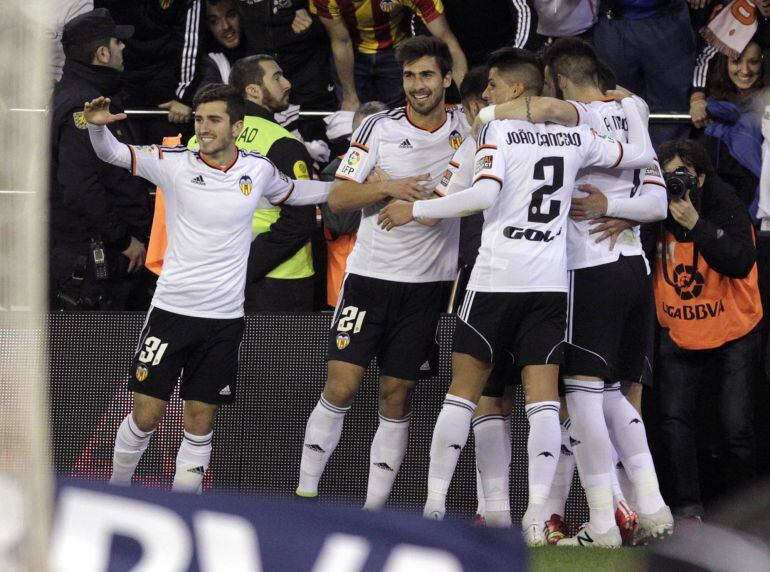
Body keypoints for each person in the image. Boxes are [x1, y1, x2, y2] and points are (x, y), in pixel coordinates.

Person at [88, 83, 423, 492]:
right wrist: (97, 128)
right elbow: (113, 154)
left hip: (224, 321)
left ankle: (182, 508)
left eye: (213, 120)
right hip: (171, 313)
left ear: (237, 126)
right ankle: (117, 489)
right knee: (146, 413)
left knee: (201, 420)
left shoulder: (257, 169)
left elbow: (300, 192)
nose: (203, 128)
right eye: (198, 119)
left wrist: (377, 187)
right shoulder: (174, 162)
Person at [379, 53, 655, 546]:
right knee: (544, 405)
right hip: (549, 284)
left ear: (514, 90)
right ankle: (534, 520)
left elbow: (483, 195)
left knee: (463, 394)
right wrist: (634, 109)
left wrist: (415, 209)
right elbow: (636, 154)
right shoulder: (576, 136)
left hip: (496, 280)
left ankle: (435, 506)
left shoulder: (497, 132)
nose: (484, 96)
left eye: (491, 87)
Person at [481, 38, 672, 547]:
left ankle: (605, 522)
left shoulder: (566, 116)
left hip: (584, 267)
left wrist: (486, 113)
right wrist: (621, 203)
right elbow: (657, 198)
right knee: (614, 394)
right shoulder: (633, 110)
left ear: (559, 78)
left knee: (583, 395)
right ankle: (651, 508)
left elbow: (539, 106)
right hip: (634, 265)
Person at [294, 36, 467, 510]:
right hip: (370, 279)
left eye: (427, 75)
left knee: (397, 393)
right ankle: (305, 493)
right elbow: (338, 197)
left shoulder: (467, 129)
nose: (417, 85)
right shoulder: (377, 127)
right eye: (410, 76)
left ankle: (374, 513)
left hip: (428, 285)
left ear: (447, 79)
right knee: (341, 385)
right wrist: (387, 186)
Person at [653, 138, 762, 528]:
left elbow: (740, 260)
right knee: (674, 423)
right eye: (667, 178)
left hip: (734, 328)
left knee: (736, 429)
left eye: (683, 175)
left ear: (701, 175)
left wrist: (696, 225)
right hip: (679, 329)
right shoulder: (654, 206)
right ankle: (688, 511)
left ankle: (744, 519)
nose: (675, 184)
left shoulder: (725, 203)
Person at [50, 8, 150, 311]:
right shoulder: (82, 109)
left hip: (101, 253)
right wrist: (123, 240)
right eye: (117, 42)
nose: (124, 47)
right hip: (94, 260)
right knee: (92, 356)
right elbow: (80, 188)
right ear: (103, 53)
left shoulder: (87, 95)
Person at [211, 54, 317, 312]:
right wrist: (246, 267)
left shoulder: (201, 141)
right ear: (253, 92)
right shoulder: (282, 142)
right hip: (281, 280)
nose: (287, 83)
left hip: (214, 276)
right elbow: (300, 220)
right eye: (277, 77)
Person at [311, 0, 468, 109]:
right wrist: (349, 97)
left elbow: (447, 42)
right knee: (354, 120)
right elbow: (341, 41)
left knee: (401, 119)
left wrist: (467, 97)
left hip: (397, 52)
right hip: (352, 54)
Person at [592, 0, 697, 147]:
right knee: (614, 108)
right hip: (611, 20)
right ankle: (621, 165)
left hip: (666, 20)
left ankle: (665, 165)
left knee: (670, 112)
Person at [701, 40, 769, 215]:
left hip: (758, 207)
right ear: (725, 64)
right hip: (723, 207)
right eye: (736, 61)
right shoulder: (710, 108)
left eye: (753, 61)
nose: (745, 70)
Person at [238, 0, 337, 112]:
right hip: (265, 87)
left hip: (310, 79)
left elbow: (339, 32)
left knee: (316, 126)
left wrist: (313, 22)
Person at [199, 0, 248, 86]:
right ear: (207, 26)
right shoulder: (207, 63)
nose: (226, 26)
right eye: (214, 21)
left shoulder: (261, 44)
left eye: (231, 15)